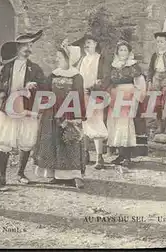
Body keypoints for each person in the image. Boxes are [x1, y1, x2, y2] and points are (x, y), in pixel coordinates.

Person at [0, 31, 46, 187]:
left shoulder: (35, 69)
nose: (28, 48)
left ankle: (20, 173)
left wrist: (34, 86)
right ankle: (1, 177)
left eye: (31, 45)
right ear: (18, 47)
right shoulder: (6, 67)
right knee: (4, 141)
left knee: (26, 141)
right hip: (9, 109)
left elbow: (45, 86)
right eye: (26, 45)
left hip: (26, 109)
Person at [33, 41, 87, 189]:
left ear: (69, 59)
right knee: (53, 142)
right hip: (52, 113)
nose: (57, 59)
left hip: (68, 112)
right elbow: (45, 90)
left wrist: (76, 117)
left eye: (60, 57)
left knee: (69, 141)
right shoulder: (53, 74)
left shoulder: (76, 77)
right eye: (57, 57)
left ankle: (75, 176)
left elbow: (79, 97)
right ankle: (55, 175)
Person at [106, 40, 147, 167]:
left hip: (128, 96)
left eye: (125, 50)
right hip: (115, 96)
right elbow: (109, 81)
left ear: (129, 52)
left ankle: (128, 157)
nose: (122, 52)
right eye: (120, 50)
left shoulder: (133, 66)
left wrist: (136, 98)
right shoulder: (113, 65)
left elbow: (140, 84)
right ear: (117, 52)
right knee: (115, 125)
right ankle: (120, 154)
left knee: (126, 125)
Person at [74, 33, 109, 170]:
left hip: (95, 94)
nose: (87, 45)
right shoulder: (81, 60)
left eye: (90, 43)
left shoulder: (100, 59)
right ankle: (85, 154)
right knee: (83, 123)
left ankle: (99, 157)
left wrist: (96, 86)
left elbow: (106, 77)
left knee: (96, 123)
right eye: (86, 43)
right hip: (82, 95)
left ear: (95, 44)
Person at [147, 31, 166, 134]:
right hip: (156, 76)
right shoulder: (154, 55)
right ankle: (159, 126)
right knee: (156, 102)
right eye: (158, 42)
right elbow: (150, 69)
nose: (159, 44)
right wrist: (149, 80)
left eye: (161, 42)